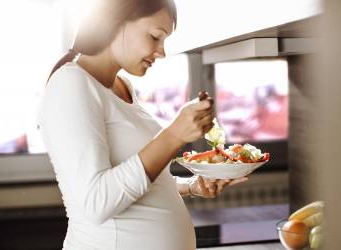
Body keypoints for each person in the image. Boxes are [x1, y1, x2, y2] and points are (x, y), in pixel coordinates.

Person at [36, 0, 248, 249]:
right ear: (115, 22)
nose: (162, 51)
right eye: (155, 36)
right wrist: (173, 136)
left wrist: (190, 186)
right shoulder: (71, 84)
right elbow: (97, 201)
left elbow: (139, 185)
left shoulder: (122, 86)